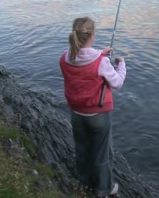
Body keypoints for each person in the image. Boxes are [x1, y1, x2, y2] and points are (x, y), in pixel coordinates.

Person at [59, 17, 126, 197]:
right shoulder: (101, 62)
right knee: (103, 153)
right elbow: (118, 83)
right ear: (93, 35)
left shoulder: (65, 58)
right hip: (98, 116)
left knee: (82, 148)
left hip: (76, 113)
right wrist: (121, 65)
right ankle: (104, 189)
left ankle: (84, 180)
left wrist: (101, 54)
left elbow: (83, 62)